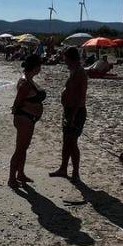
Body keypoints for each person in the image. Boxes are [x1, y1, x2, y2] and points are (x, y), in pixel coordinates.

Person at [50, 47, 89, 181]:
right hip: (68, 110)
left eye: (65, 59)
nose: (64, 61)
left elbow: (81, 97)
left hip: (76, 111)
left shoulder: (80, 73)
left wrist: (73, 115)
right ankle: (63, 168)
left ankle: (76, 172)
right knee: (66, 142)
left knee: (72, 142)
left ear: (71, 59)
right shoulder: (73, 71)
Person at [8, 54, 44, 188]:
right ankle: (11, 178)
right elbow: (17, 102)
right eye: (40, 65)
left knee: (24, 148)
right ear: (35, 67)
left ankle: (20, 173)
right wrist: (28, 108)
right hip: (24, 118)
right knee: (20, 149)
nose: (41, 68)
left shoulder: (29, 79)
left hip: (29, 118)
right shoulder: (25, 83)